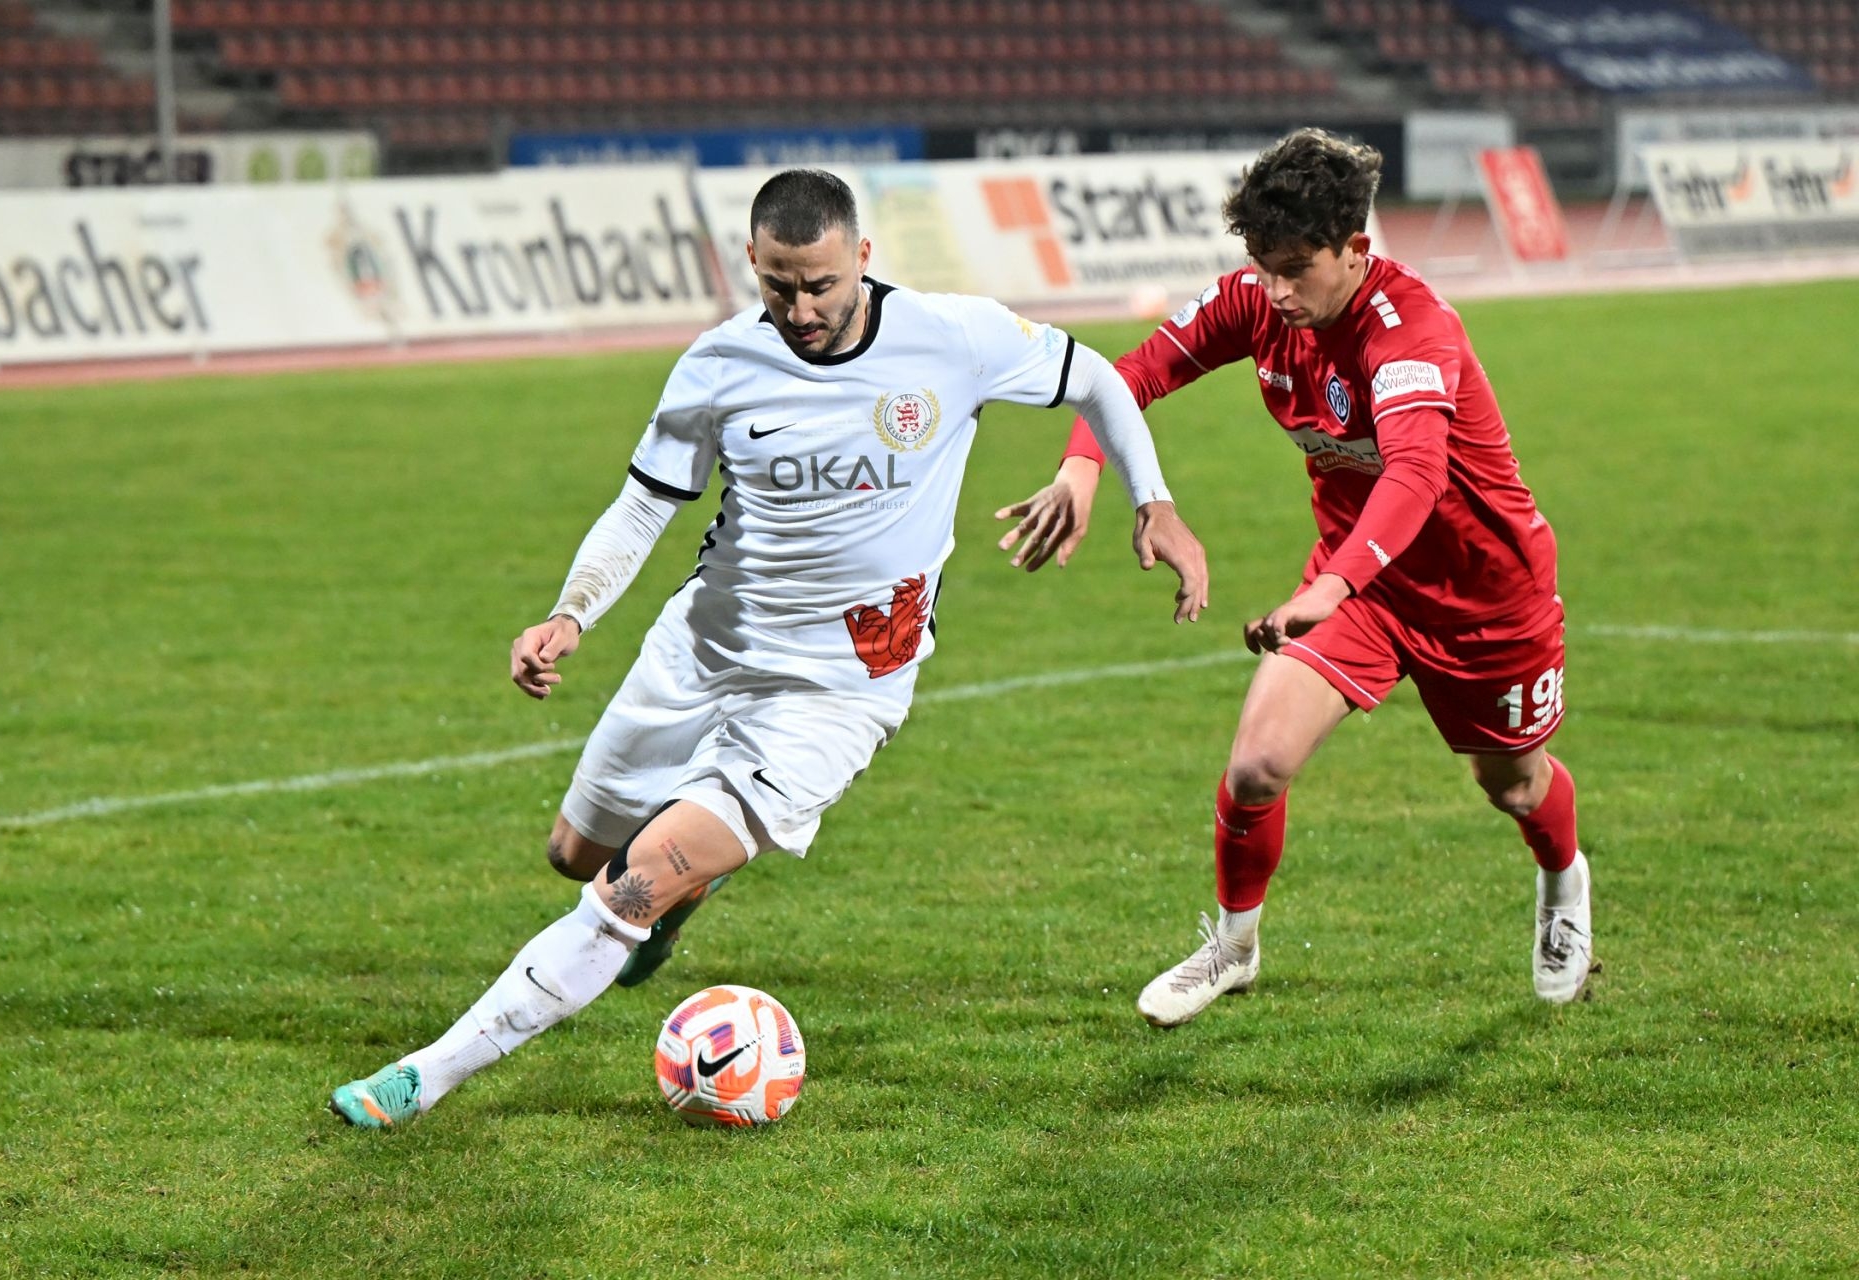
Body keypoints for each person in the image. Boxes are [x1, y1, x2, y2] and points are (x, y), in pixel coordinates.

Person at [328, 168, 1209, 1126]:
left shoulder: (953, 336)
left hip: (838, 692)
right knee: (575, 854)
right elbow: (643, 506)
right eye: (779, 285)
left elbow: (1100, 379)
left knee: (625, 892)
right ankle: (680, 894)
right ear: (750, 259)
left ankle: (424, 1077)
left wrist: (1151, 498)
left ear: (863, 257)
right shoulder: (718, 364)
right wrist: (570, 612)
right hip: (703, 652)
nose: (802, 309)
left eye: (822, 285)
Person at [996, 129, 1593, 1027]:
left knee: (1511, 784)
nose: (1275, 291)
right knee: (1256, 767)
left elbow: (1415, 477)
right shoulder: (1257, 302)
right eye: (1262, 267)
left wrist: (1331, 586)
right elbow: (1129, 376)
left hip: (1483, 595)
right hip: (1359, 589)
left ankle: (1563, 881)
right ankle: (1234, 948)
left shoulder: (1411, 330)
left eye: (1295, 269)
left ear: (1355, 248)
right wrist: (1083, 468)